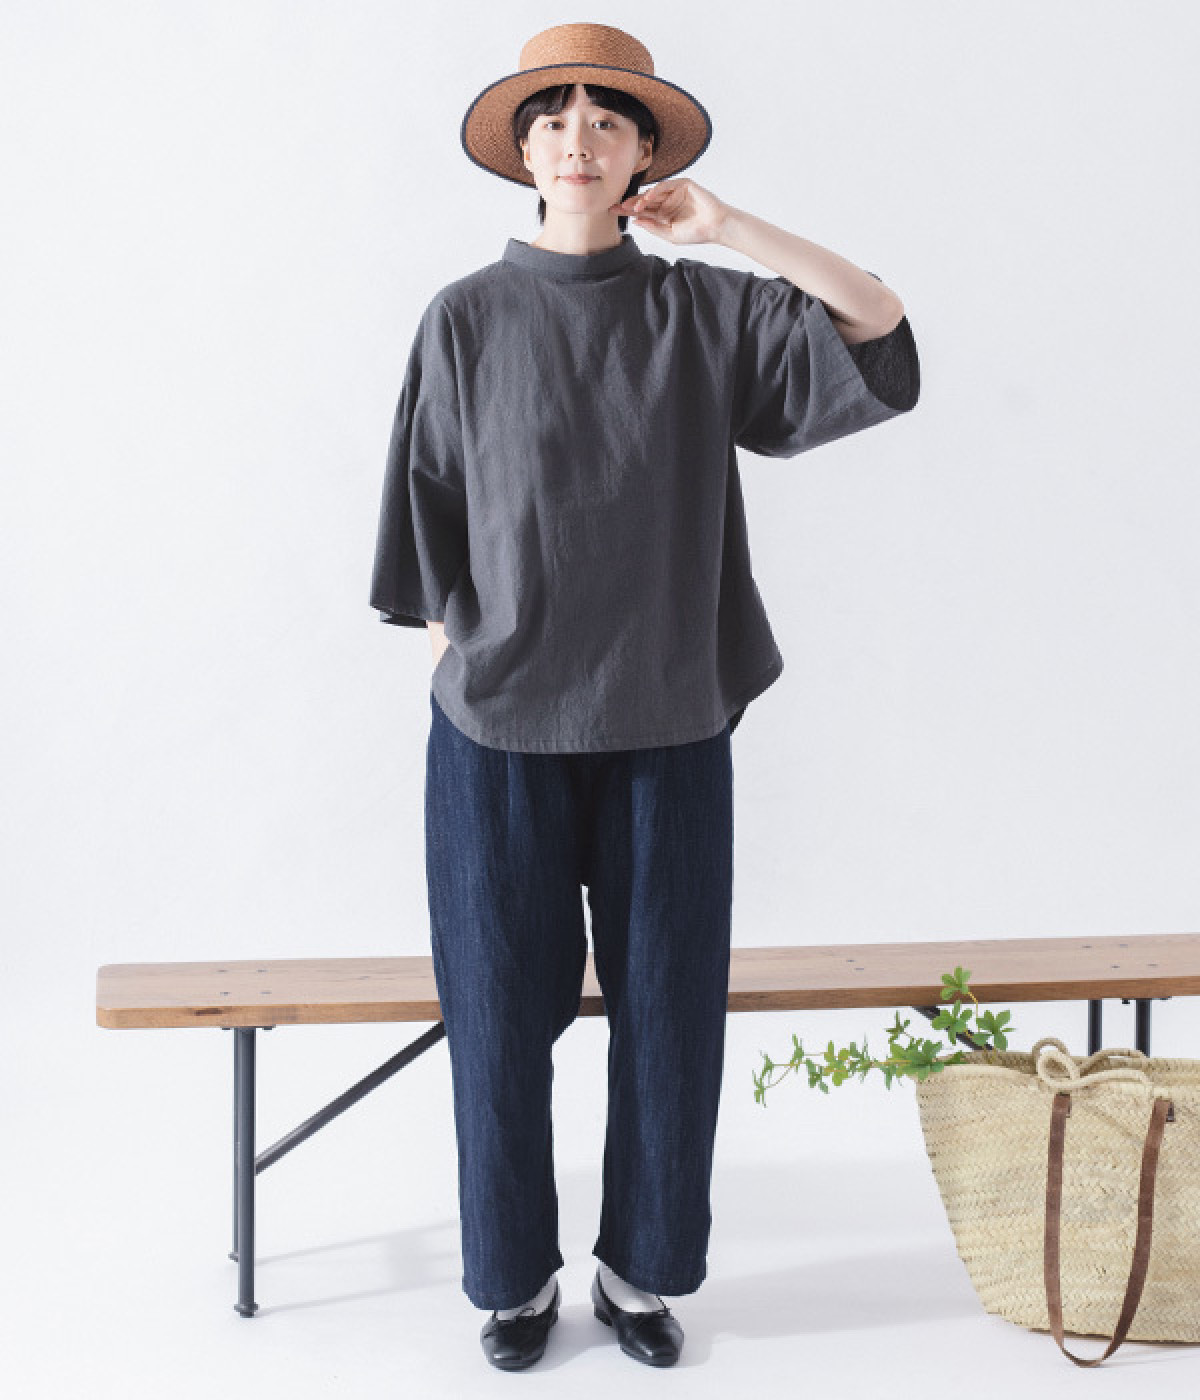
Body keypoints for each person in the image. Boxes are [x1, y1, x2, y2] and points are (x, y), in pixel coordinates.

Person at [370, 22, 920, 1372]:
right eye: (553, 118)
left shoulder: (702, 310)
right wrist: (450, 655)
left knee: (670, 1015)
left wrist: (730, 228)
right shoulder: (465, 316)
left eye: (606, 120)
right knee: (499, 1014)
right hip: (496, 731)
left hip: (670, 718)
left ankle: (640, 1274)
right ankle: (512, 1283)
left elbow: (878, 325)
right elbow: (426, 507)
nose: (578, 138)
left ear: (641, 156)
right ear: (525, 154)